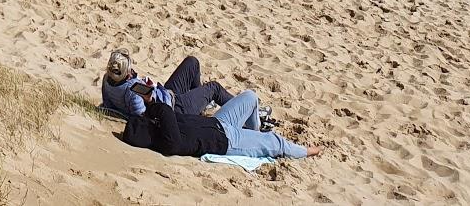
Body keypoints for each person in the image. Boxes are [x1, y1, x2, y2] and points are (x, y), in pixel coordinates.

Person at [123, 88, 315, 161]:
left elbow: (164, 114)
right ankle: (308, 151)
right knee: (275, 142)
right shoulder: (167, 141)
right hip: (228, 141)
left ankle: (254, 133)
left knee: (250, 97)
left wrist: (149, 103)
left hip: (219, 123)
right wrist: (154, 105)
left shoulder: (160, 127)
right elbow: (165, 112)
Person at [101, 51, 233, 122]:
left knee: (192, 62)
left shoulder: (107, 79)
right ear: (127, 73)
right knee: (214, 87)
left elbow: (107, 104)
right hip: (175, 109)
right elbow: (142, 118)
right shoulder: (133, 91)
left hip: (167, 95)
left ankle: (200, 108)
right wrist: (150, 101)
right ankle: (247, 112)